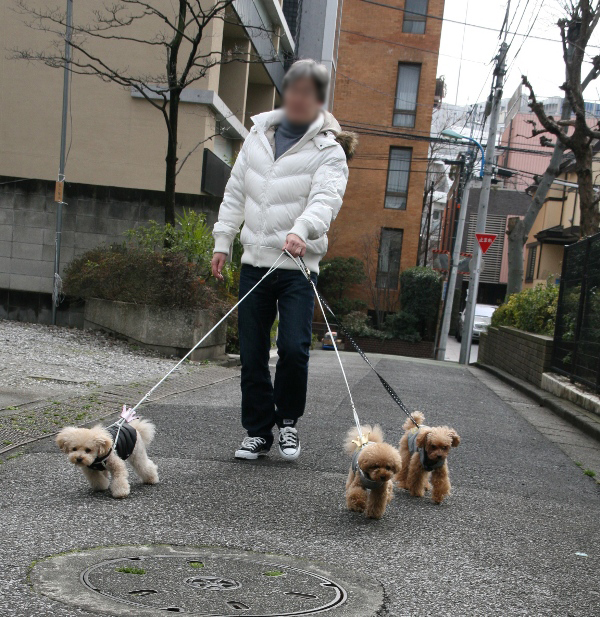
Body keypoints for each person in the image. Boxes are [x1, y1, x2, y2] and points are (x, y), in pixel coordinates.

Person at [211, 59, 357, 461]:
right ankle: (257, 432)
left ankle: (288, 422)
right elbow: (235, 192)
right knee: (253, 353)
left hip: (297, 267)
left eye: (309, 93)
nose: (299, 98)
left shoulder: (329, 150)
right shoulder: (257, 137)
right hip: (254, 263)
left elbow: (326, 198)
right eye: (294, 89)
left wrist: (302, 228)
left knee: (293, 348)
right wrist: (223, 241)